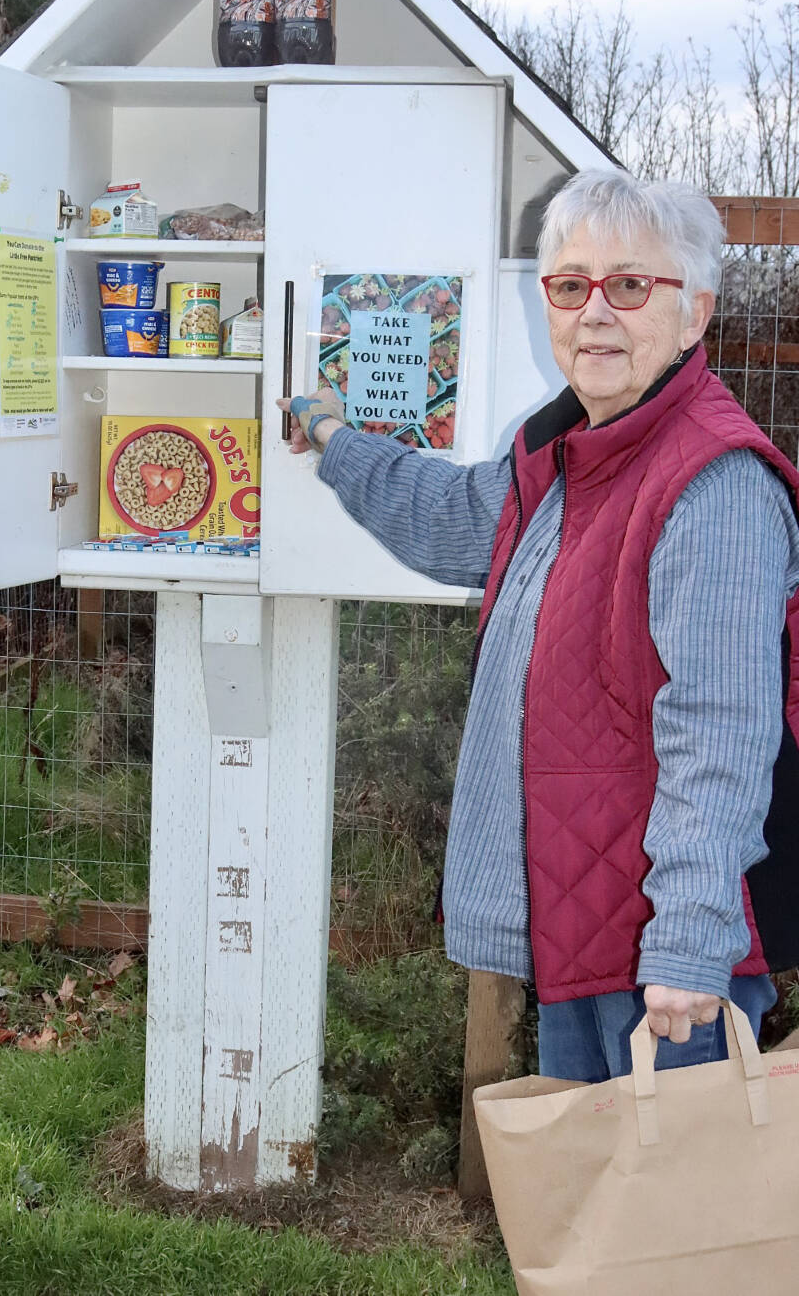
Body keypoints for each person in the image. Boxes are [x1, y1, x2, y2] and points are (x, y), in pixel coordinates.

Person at [282, 169, 799, 1084]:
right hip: (589, 926)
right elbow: (450, 518)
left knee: (678, 1217)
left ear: (695, 313)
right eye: (571, 286)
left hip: (668, 952)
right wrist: (333, 436)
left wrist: (686, 949)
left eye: (630, 285)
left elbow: (720, 735)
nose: (595, 313)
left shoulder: (712, 487)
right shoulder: (568, 461)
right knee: (601, 1213)